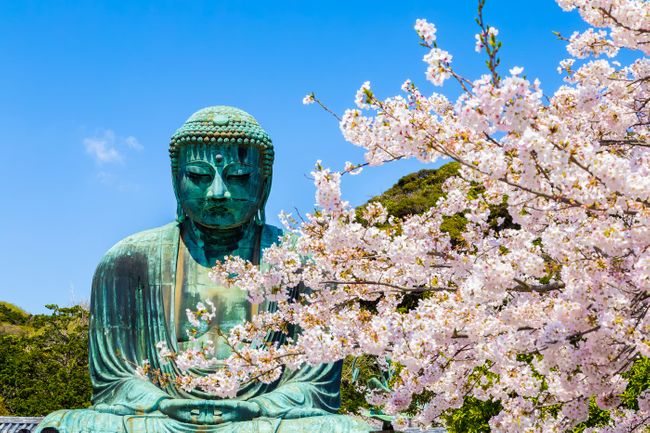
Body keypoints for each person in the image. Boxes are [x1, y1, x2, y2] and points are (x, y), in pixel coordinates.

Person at [36, 106, 371, 433]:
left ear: (264, 181)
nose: (218, 193)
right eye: (198, 176)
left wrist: (259, 406)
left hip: (261, 419)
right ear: (175, 179)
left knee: (345, 428)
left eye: (238, 177)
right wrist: (159, 403)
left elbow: (316, 388)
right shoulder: (127, 260)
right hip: (162, 418)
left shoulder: (305, 262)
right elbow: (115, 382)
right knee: (66, 425)